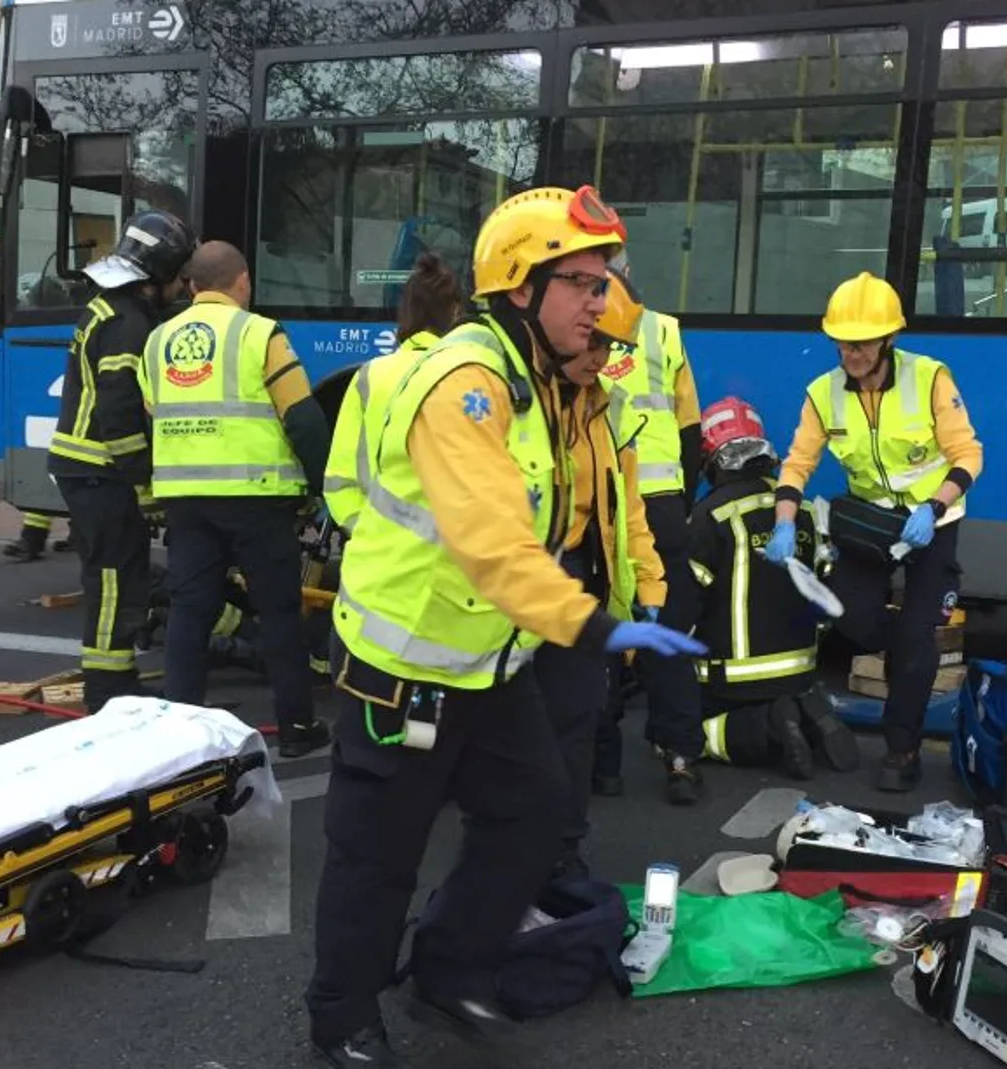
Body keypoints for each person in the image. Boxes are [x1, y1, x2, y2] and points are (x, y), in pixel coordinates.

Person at [302, 185, 704, 1068]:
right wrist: (595, 629)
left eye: (605, 287)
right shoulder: (470, 386)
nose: (601, 309)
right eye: (585, 286)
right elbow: (492, 541)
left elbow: (584, 513)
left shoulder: (557, 388)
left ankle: (448, 969)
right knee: (378, 856)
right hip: (404, 666)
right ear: (522, 287)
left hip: (488, 660)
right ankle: (341, 1016)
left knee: (533, 813)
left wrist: (640, 588)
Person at [764, 272, 983, 792]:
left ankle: (901, 749)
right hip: (871, 525)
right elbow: (797, 463)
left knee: (914, 638)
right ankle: (913, 648)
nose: (850, 352)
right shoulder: (822, 393)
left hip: (931, 524)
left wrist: (934, 506)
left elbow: (968, 454)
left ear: (887, 339)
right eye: (842, 341)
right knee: (851, 619)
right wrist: (784, 521)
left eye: (860, 342)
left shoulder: (930, 379)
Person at [138, 240, 333, 757]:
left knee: (189, 613)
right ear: (242, 281)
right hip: (257, 498)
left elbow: (155, 414)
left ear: (192, 287)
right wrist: (324, 487)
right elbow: (303, 419)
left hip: (185, 498)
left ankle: (180, 737)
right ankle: (295, 729)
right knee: (278, 613)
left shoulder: (157, 342)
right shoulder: (260, 335)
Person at [535, 262, 672, 876]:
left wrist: (649, 583)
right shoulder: (515, 405)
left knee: (577, 723)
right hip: (517, 596)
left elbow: (626, 510)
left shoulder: (604, 411)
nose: (605, 360)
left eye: (616, 349)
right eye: (597, 344)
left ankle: (560, 852)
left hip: (577, 591)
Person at [46, 209, 192, 712]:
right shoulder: (129, 325)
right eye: (179, 276)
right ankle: (107, 690)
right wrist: (146, 489)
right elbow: (119, 416)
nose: (183, 287)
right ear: (157, 275)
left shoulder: (109, 309)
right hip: (100, 472)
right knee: (113, 579)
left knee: (113, 574)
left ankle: (116, 678)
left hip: (83, 469)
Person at [686, 396, 860, 778]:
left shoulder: (708, 516)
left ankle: (768, 727)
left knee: (679, 734)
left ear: (712, 458)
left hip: (730, 682)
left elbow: (686, 605)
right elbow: (828, 591)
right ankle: (806, 711)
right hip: (802, 671)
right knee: (788, 694)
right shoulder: (806, 513)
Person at [592, 260, 709, 805]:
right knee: (667, 630)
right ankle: (681, 757)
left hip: (604, 499)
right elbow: (691, 427)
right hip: (662, 501)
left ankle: (603, 763)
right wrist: (681, 498)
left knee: (600, 623)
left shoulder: (572, 330)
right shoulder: (663, 330)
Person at [323, 252, 462, 534]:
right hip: (450, 563)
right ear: (456, 312)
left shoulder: (369, 377)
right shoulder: (469, 375)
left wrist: (366, 535)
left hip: (374, 561)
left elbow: (339, 480)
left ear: (406, 312)